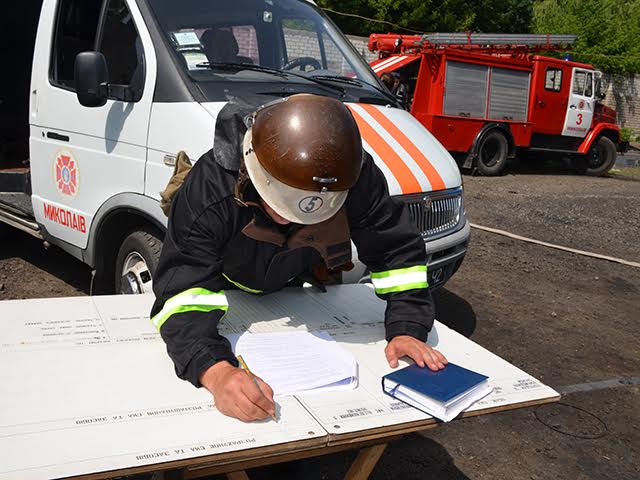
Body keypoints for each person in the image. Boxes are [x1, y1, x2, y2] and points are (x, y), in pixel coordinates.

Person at [151, 94, 447, 422]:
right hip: (224, 284)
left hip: (297, 288)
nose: (286, 220)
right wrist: (215, 370)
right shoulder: (210, 187)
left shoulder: (351, 174)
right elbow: (184, 291)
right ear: (254, 172)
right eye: (278, 203)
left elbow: (394, 249)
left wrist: (407, 326)